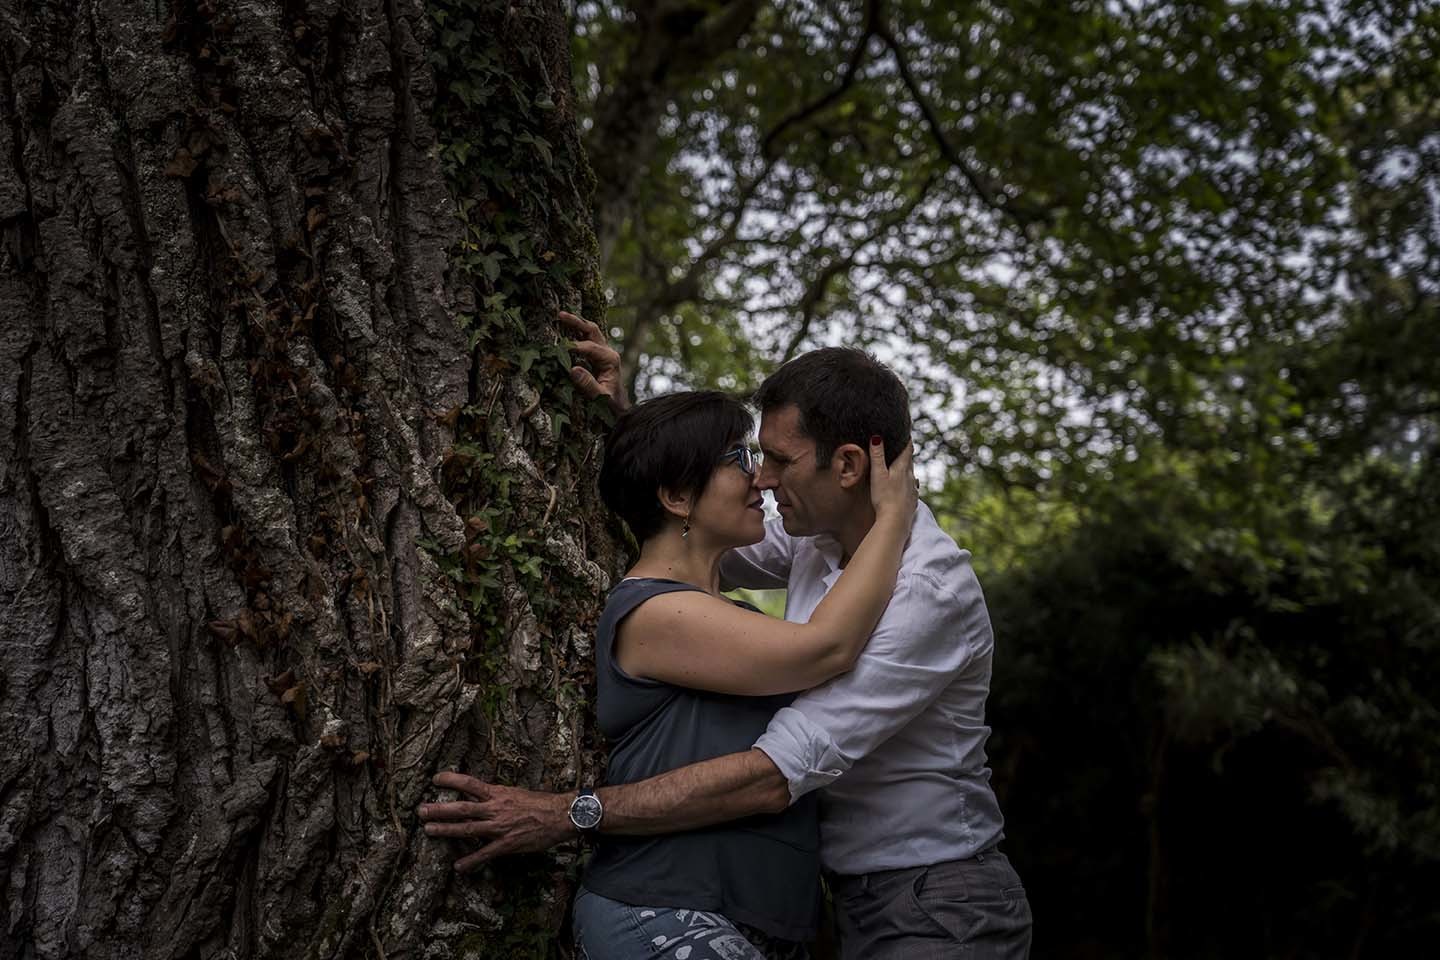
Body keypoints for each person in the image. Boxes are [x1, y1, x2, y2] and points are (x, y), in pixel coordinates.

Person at [419, 313, 1034, 959]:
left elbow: (780, 767)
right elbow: (693, 528)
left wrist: (563, 814)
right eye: (751, 458)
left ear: (849, 465)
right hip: (843, 895)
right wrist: (631, 425)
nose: (763, 479)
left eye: (776, 459)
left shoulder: (925, 590)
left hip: (936, 894)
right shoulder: (818, 541)